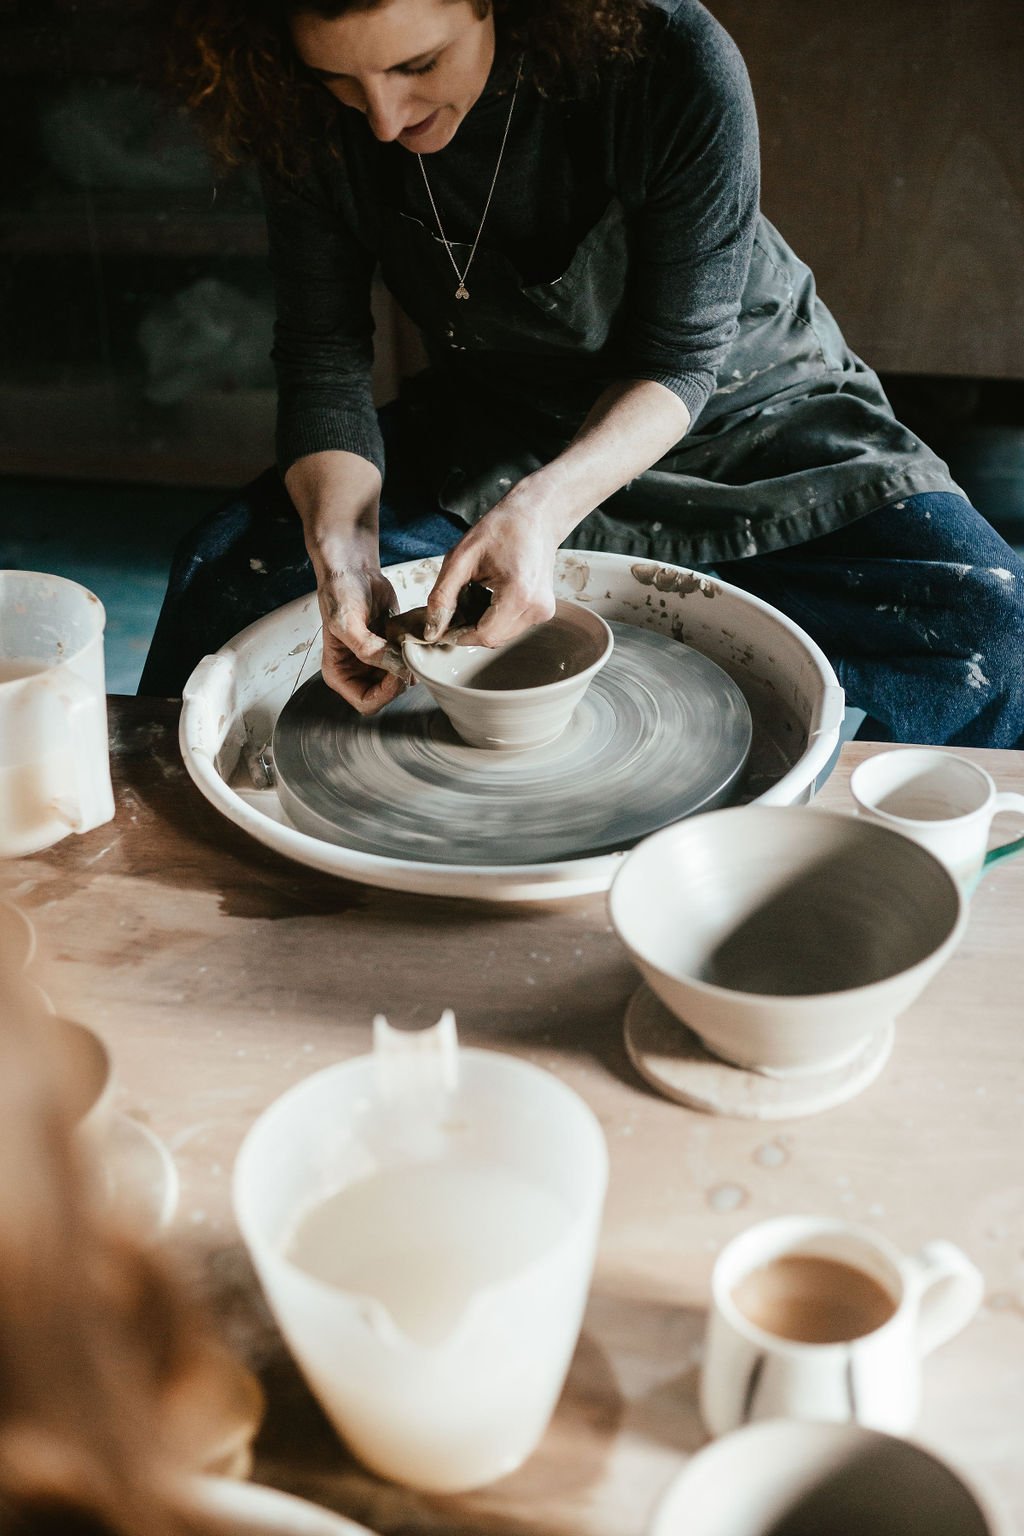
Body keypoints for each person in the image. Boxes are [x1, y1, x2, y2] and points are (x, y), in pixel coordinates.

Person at [144, 0, 1024, 747]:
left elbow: (681, 360)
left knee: (990, 620)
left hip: (743, 410)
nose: (382, 116)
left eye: (419, 63)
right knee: (233, 589)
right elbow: (322, 356)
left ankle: (791, 854)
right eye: (342, 80)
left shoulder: (668, 56)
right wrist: (341, 553)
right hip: (502, 423)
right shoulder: (299, 113)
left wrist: (541, 510)